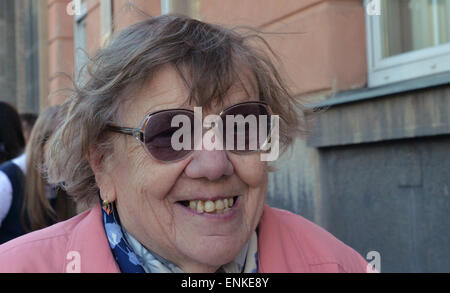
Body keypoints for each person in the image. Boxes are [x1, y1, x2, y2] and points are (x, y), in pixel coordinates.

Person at [0, 15, 368, 273]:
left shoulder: (339, 266)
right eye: (170, 134)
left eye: (241, 127)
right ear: (101, 162)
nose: (215, 165)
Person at [0, 106, 76, 244]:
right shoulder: (7, 180)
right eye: (61, 145)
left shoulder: (67, 181)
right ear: (40, 143)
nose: (69, 156)